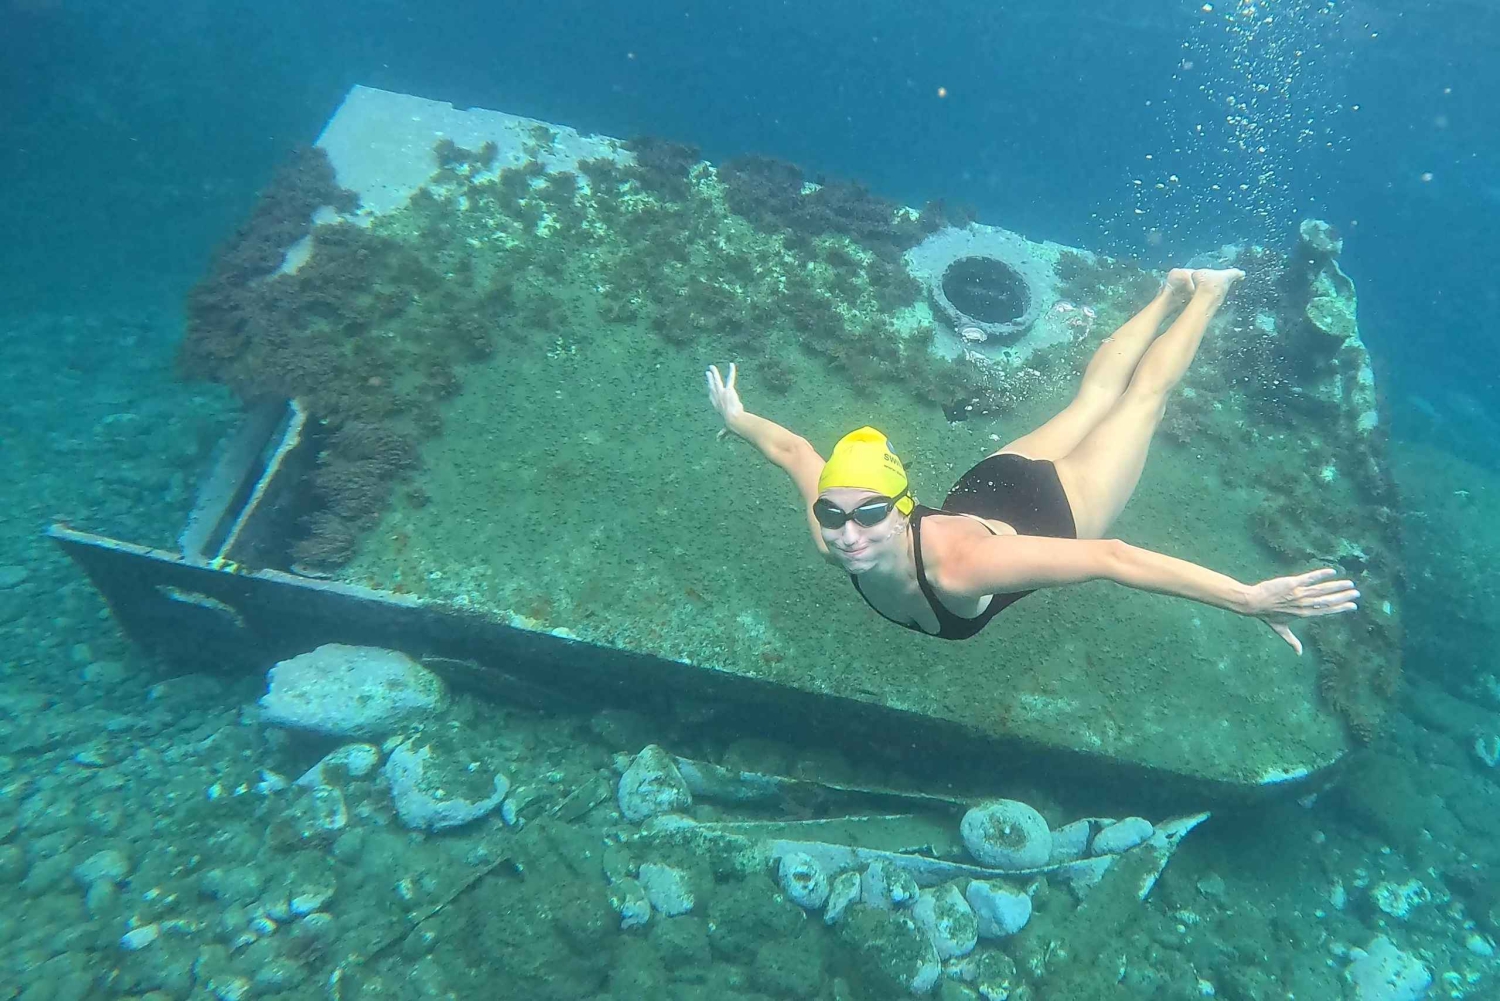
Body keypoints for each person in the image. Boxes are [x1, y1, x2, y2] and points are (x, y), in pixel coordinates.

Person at [705, 267, 1359, 653]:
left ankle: (1207, 292)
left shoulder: (961, 570)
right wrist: (736, 418)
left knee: (1140, 400)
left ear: (902, 509)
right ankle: (1167, 290)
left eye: (868, 514)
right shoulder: (833, 530)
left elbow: (1112, 558)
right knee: (1092, 399)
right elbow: (794, 451)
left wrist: (1245, 598)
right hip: (986, 487)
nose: (846, 535)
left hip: (1055, 509)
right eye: (832, 515)